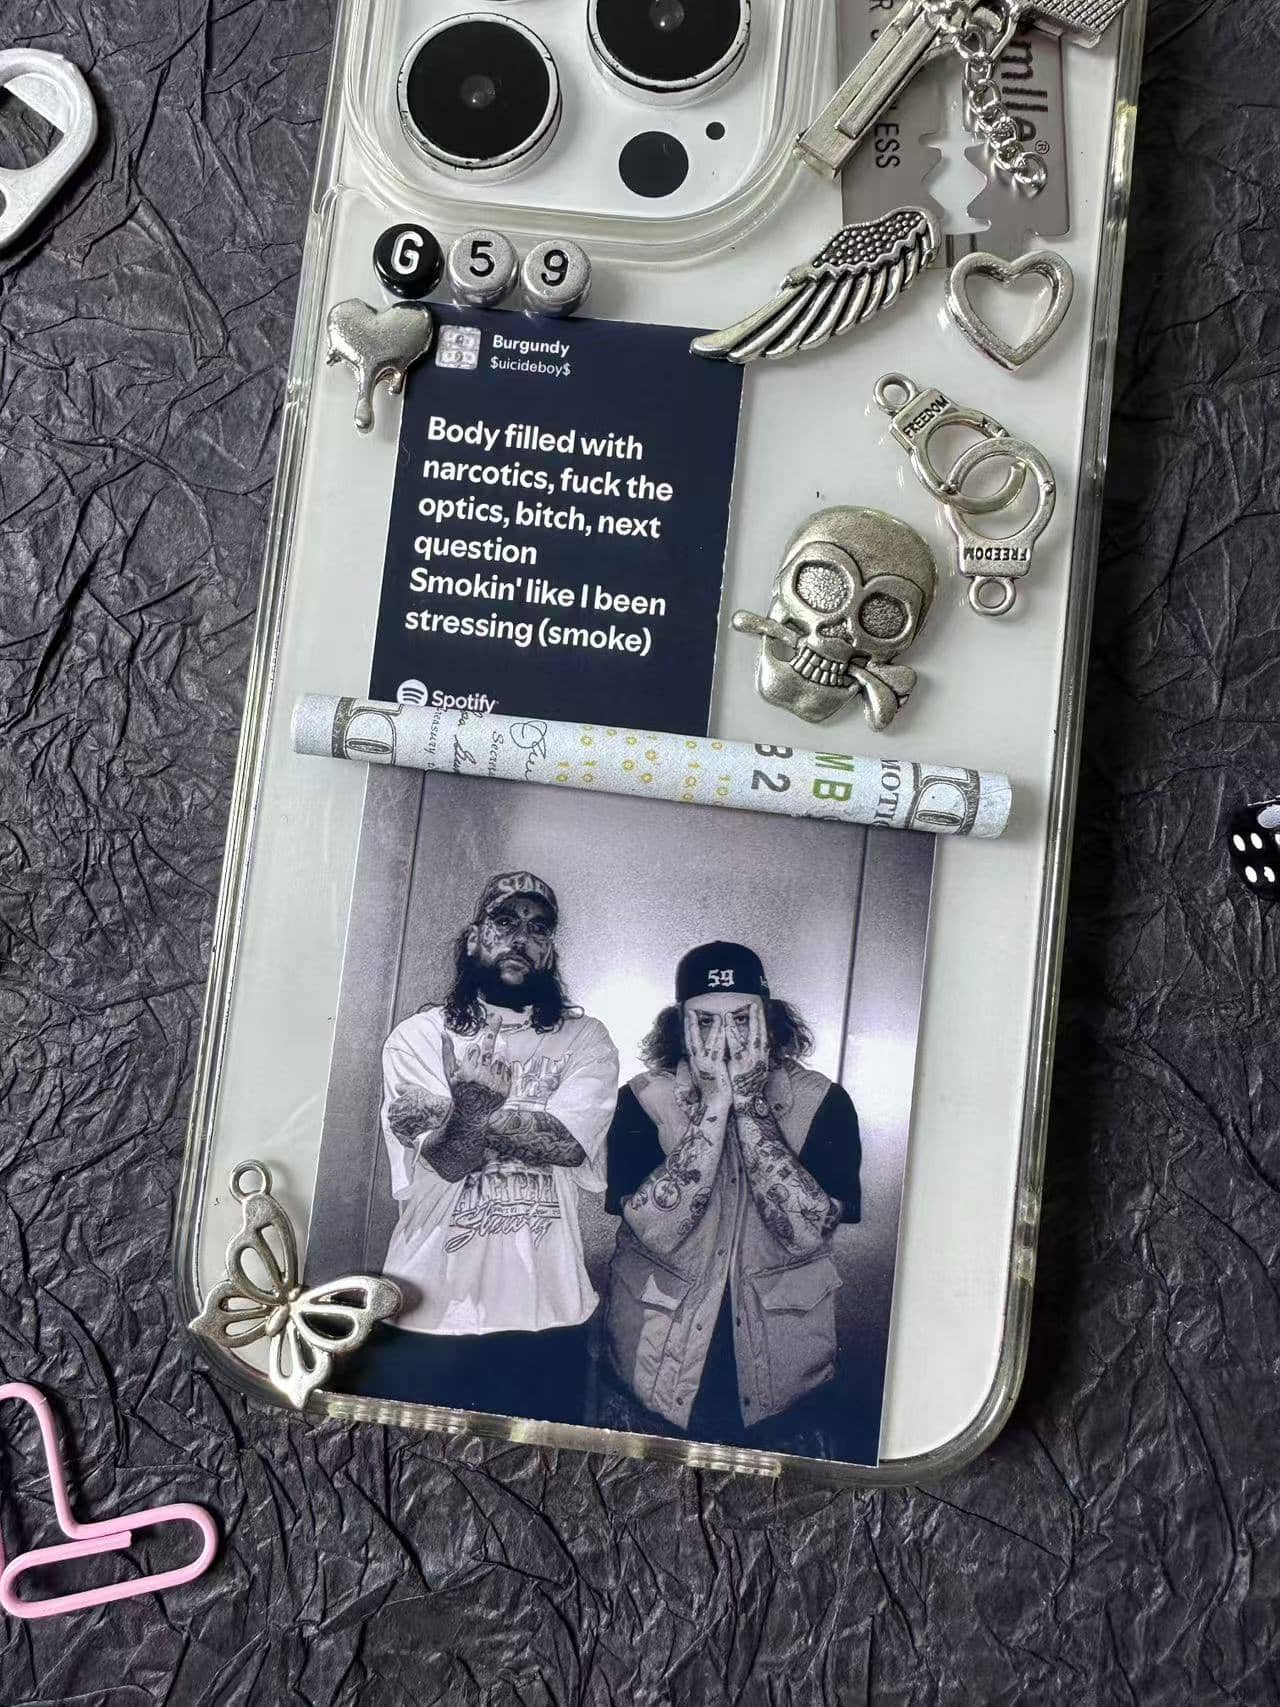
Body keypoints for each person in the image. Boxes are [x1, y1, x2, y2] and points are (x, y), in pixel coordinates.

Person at [341, 871, 619, 1422]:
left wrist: (464, 1111)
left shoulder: (586, 1039)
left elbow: (567, 1145)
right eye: (505, 921)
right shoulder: (420, 1037)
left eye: (538, 928)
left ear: (549, 950)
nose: (521, 938)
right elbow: (447, 1161)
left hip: (550, 1312)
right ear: (473, 938)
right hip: (428, 1309)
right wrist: (473, 1116)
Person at [602, 941, 861, 1452]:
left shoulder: (824, 1102)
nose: (724, 1038)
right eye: (705, 1021)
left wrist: (748, 1105)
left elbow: (806, 1232)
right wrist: (716, 1103)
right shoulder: (640, 1101)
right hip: (650, 1376)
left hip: (788, 1390)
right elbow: (655, 1230)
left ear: (771, 1020)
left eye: (742, 1019)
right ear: (679, 1025)